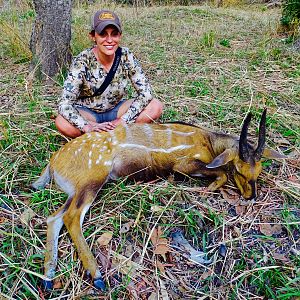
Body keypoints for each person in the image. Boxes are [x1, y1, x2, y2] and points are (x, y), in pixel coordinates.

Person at [55, 9, 163, 138]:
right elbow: (64, 104)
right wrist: (87, 126)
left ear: (120, 36)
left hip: (116, 110)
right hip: (89, 113)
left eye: (114, 34)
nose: (109, 40)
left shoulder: (126, 56)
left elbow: (146, 93)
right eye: (103, 34)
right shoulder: (82, 60)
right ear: (93, 36)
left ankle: (119, 133)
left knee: (155, 106)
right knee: (61, 122)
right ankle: (97, 134)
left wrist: (123, 120)